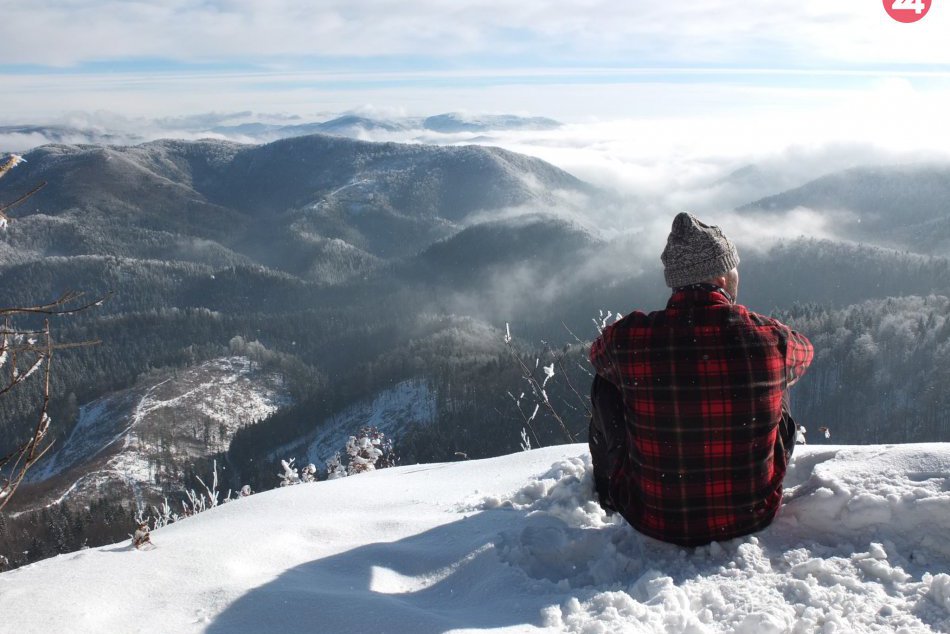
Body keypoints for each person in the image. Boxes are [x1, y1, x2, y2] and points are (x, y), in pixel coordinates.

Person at [588, 212, 813, 546]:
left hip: (650, 516)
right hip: (752, 514)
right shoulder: (771, 339)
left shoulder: (628, 339)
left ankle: (609, 491)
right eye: (734, 267)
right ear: (722, 277)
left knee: (606, 382)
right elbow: (805, 352)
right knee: (779, 377)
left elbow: (597, 354)